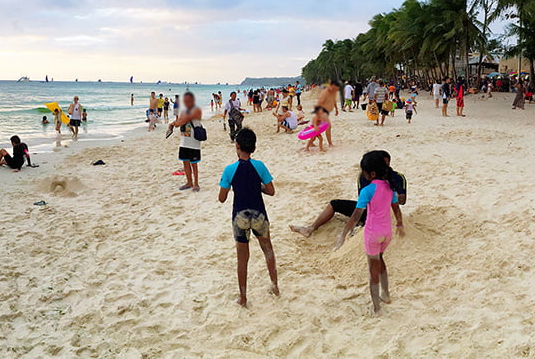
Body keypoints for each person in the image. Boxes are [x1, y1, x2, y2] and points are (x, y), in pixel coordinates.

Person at [334, 152, 405, 315]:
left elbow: (356, 215)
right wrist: (400, 225)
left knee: (372, 269)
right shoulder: (390, 188)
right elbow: (396, 209)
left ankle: (376, 308)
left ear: (372, 173)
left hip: (373, 233)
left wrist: (343, 234)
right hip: (387, 232)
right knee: (380, 260)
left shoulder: (367, 190)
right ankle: (386, 294)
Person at [217, 128, 278, 307]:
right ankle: (275, 287)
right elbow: (271, 191)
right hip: (259, 213)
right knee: (268, 250)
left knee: (242, 258)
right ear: (253, 147)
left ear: (237, 145)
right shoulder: (259, 166)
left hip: (240, 216)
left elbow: (221, 198)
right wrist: (257, 187)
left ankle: (243, 298)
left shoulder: (230, 170)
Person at [290, 150, 406, 239]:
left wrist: (391, 193)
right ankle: (310, 228)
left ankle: (356, 229)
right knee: (334, 204)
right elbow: (363, 200)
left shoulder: (397, 177)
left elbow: (402, 201)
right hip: (370, 211)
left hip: (386, 214)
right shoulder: (365, 176)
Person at [169, 92, 203, 191]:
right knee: (185, 162)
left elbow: (181, 121)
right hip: (184, 140)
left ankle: (196, 183)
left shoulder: (196, 110)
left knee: (194, 163)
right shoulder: (183, 111)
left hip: (194, 141)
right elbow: (179, 120)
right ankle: (189, 182)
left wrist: (173, 124)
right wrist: (174, 123)